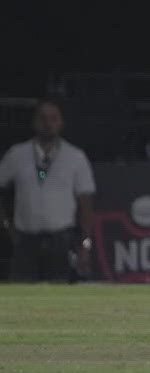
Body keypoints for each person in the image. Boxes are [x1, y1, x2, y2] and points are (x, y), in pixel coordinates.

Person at [0, 99, 95, 282]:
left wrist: (85, 244)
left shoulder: (75, 157)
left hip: (61, 239)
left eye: (53, 118)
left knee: (59, 299)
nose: (48, 124)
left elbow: (86, 204)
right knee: (21, 297)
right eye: (42, 118)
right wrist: (6, 225)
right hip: (25, 240)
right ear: (34, 122)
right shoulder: (17, 154)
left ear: (61, 123)